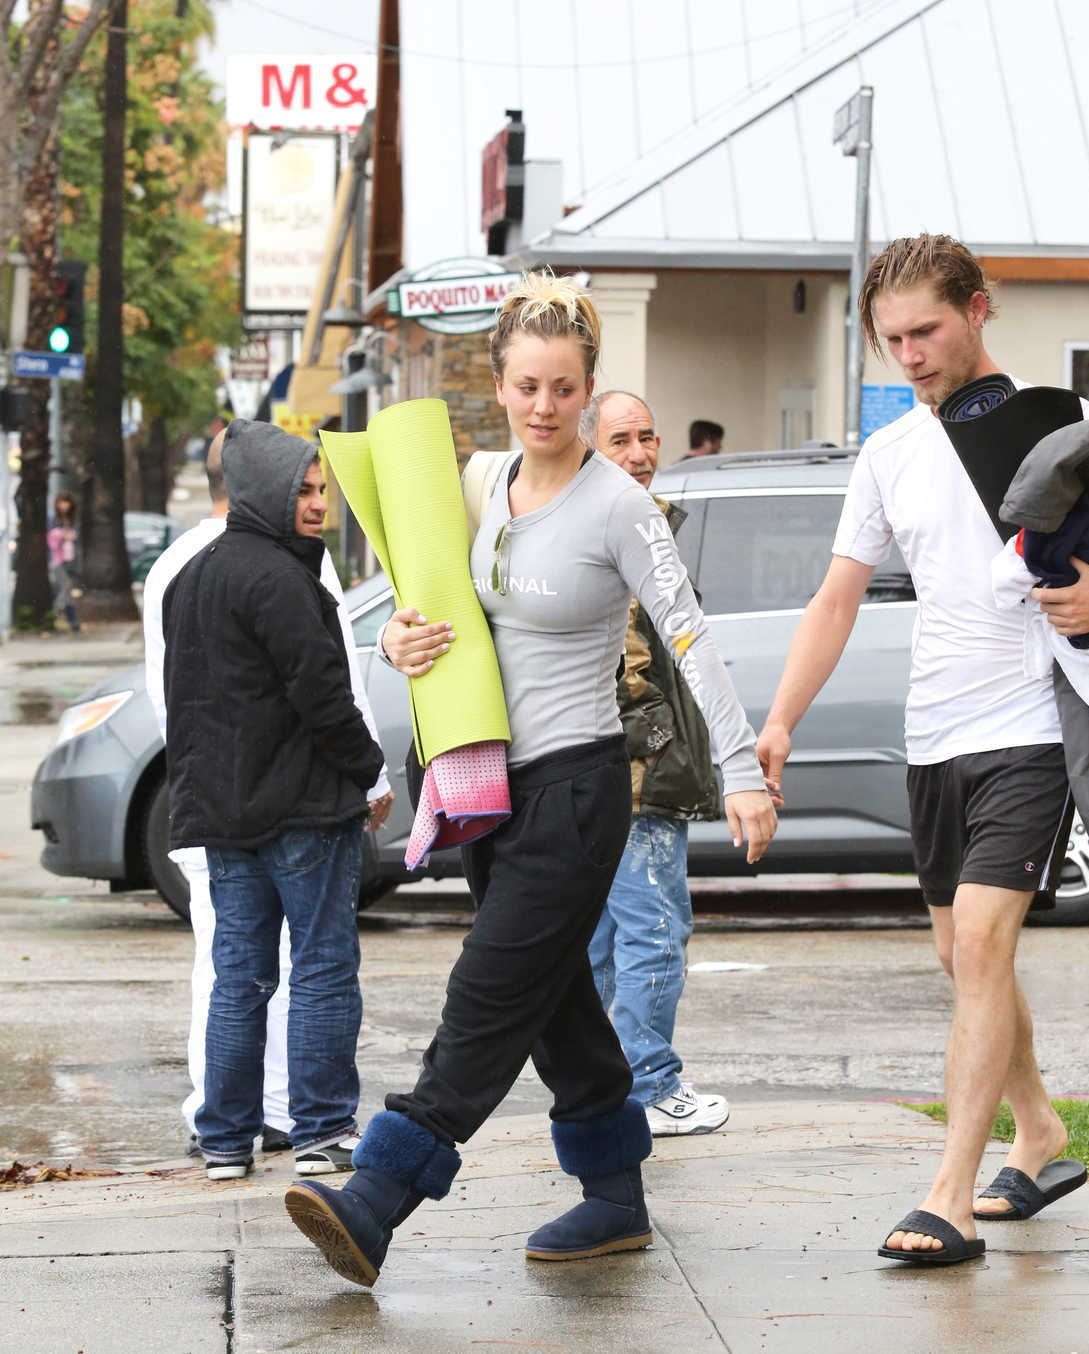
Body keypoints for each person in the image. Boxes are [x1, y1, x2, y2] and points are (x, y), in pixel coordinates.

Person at [284, 273, 778, 1288]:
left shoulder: (619, 505)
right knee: (556, 1002)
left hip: (580, 788)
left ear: (589, 387)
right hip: (487, 792)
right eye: (525, 387)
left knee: (490, 990)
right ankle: (613, 1197)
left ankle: (380, 1193)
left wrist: (742, 768)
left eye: (562, 388)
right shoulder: (478, 482)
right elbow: (427, 611)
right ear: (500, 387)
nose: (543, 407)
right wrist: (399, 641)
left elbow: (687, 635)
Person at [757, 233, 1089, 1266]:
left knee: (984, 948)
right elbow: (835, 596)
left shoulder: (1058, 421)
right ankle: (1039, 1135)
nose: (910, 354)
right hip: (934, 731)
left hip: (1031, 725)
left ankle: (947, 1194)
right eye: (892, 339)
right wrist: (779, 720)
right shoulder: (888, 453)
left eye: (927, 329)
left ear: (977, 309)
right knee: (958, 954)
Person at [143, 424, 394, 1168]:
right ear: (263, 493)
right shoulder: (285, 578)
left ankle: (224, 1141)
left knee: (238, 976)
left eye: (320, 490)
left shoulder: (191, 575)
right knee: (320, 968)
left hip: (223, 815)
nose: (318, 505)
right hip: (304, 813)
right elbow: (325, 695)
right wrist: (368, 773)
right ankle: (321, 1131)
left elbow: (182, 705)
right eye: (304, 491)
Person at [581, 389, 729, 1136]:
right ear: (590, 450)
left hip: (622, 775)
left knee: (611, 939)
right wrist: (658, 742)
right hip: (638, 780)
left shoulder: (638, 521)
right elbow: (625, 664)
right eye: (619, 441)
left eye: (646, 436)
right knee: (653, 928)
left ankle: (608, 1089)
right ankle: (650, 1086)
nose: (639, 454)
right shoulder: (617, 531)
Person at [47, 491, 81, 633]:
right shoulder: (53, 518)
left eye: (66, 502)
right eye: (62, 502)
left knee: (68, 591)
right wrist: (63, 535)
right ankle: (56, 611)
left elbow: (77, 536)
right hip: (58, 559)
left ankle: (72, 620)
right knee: (66, 588)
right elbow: (51, 538)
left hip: (70, 557)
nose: (64, 505)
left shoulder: (73, 519)